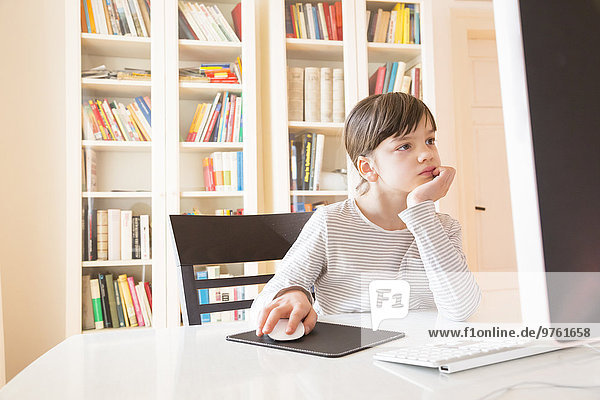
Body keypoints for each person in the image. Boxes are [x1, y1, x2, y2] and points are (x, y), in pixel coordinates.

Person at [252, 92, 481, 337]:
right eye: (405, 146)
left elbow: (461, 308)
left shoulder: (443, 228)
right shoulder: (331, 222)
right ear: (368, 168)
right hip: (348, 359)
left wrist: (421, 208)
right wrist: (293, 294)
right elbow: (262, 306)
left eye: (430, 140)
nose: (427, 154)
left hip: (419, 355)